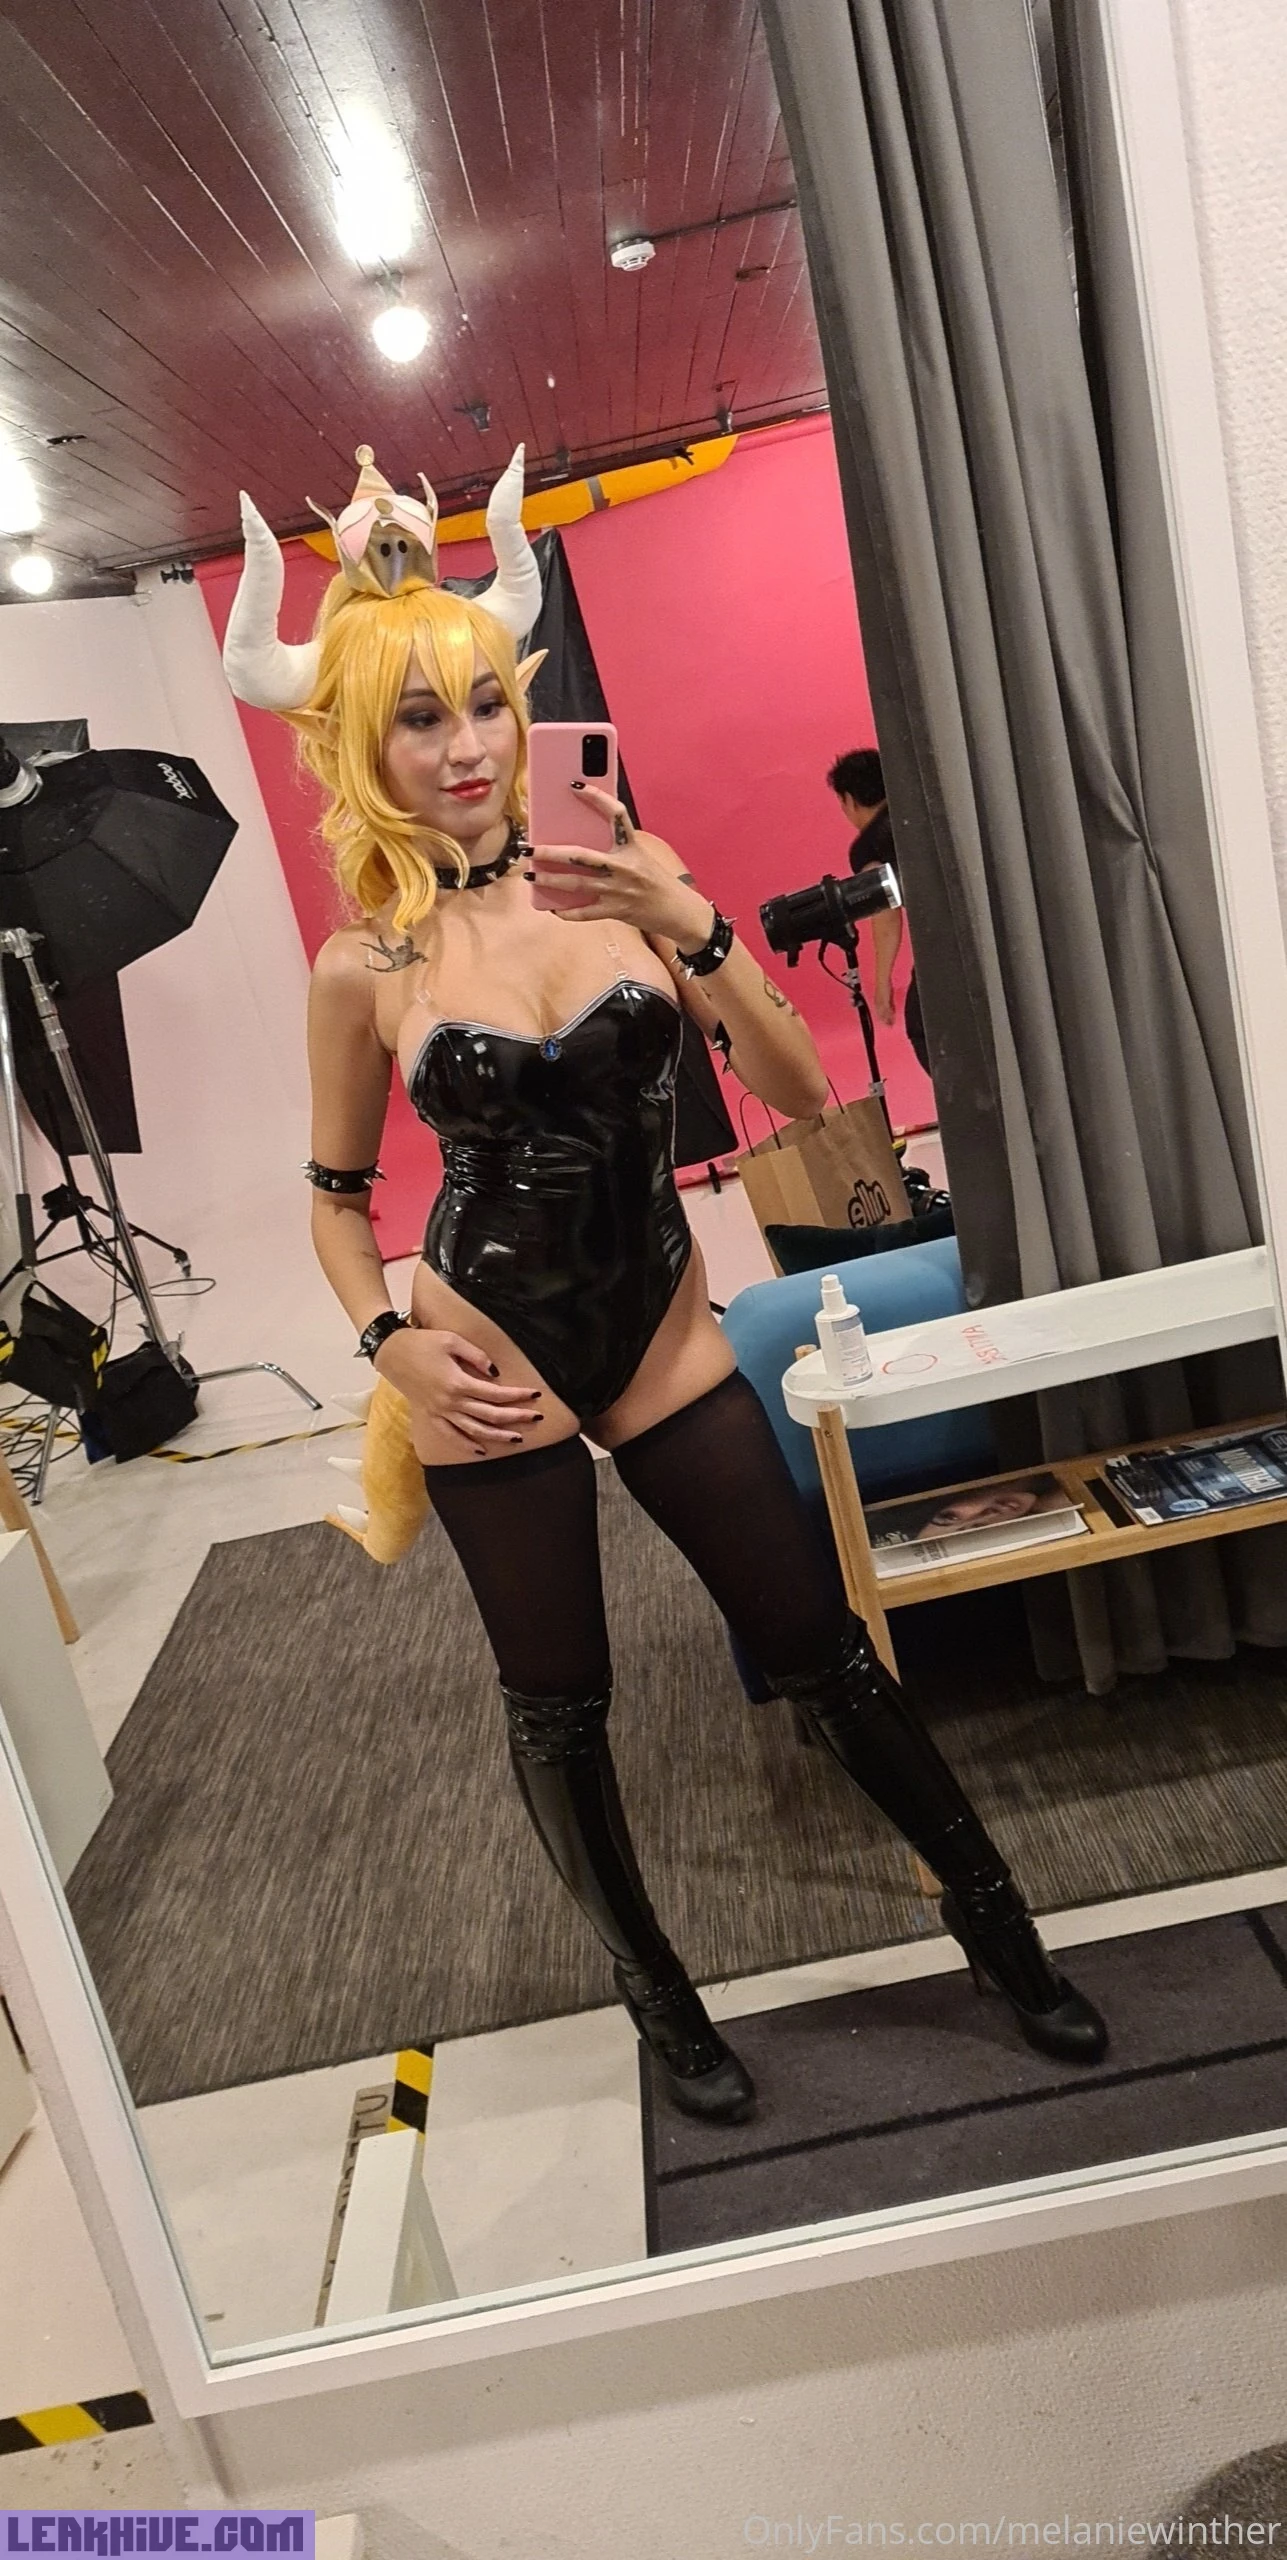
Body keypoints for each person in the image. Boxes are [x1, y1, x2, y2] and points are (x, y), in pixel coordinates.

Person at [222, 446, 1107, 2128]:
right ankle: (657, 1996)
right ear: (355, 746)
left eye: (486, 704)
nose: (467, 747)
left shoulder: (619, 879)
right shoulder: (363, 966)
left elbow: (794, 1089)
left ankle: (1001, 1930)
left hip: (664, 1338)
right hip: (483, 1362)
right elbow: (336, 1204)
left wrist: (686, 917)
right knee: (564, 1707)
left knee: (821, 1650)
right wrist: (386, 1345)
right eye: (418, 720)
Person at [827, 746, 929, 1074]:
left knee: (923, 1028)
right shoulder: (924, 813)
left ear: (849, 800)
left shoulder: (869, 846)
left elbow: (886, 913)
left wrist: (881, 980)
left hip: (946, 944)